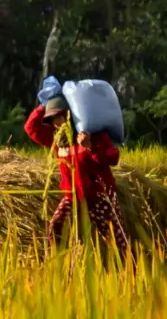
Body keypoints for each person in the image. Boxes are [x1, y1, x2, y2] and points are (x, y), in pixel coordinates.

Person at [23, 95, 128, 251]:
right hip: (72, 196)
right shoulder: (58, 140)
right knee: (55, 226)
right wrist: (42, 106)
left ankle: (129, 268)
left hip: (100, 195)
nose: (57, 123)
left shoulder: (92, 134)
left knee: (115, 239)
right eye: (52, 119)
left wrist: (90, 147)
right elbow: (31, 128)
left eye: (59, 117)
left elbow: (113, 157)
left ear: (69, 114)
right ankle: (61, 263)